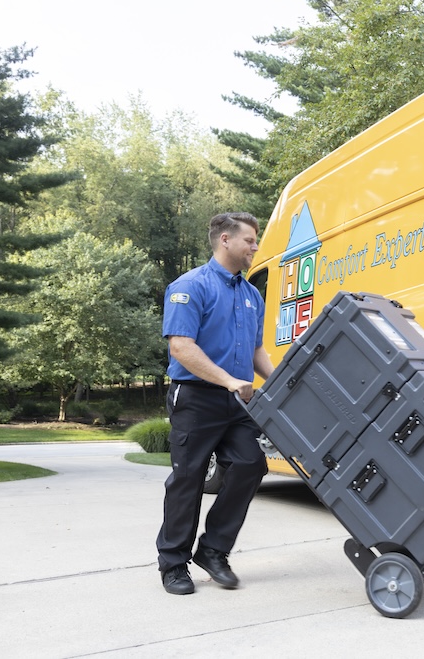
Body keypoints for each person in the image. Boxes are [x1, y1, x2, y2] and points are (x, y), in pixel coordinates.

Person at [156, 211, 275, 595]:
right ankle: (173, 564)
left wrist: (279, 383)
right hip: (195, 397)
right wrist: (227, 380)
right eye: (250, 241)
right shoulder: (190, 286)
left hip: (236, 401)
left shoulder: (251, 294)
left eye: (255, 241)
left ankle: (212, 550)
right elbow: (181, 347)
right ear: (225, 239)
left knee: (250, 464)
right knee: (188, 480)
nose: (255, 247)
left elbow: (257, 349)